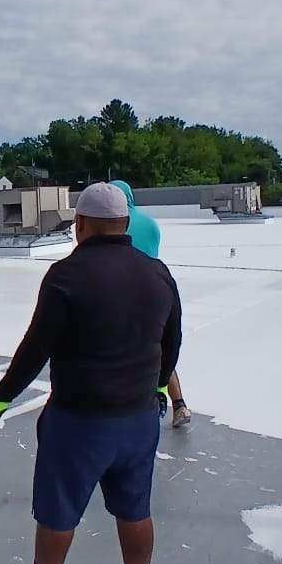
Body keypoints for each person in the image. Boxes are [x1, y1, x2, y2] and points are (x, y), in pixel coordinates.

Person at [0, 182, 182, 564]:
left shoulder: (66, 276)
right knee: (135, 508)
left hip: (78, 422)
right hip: (137, 420)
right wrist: (153, 392)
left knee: (59, 509)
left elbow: (35, 349)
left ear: (82, 225)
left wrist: (2, 398)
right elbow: (171, 348)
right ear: (125, 224)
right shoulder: (158, 274)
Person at [111, 179, 192, 428]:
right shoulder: (151, 223)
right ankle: (179, 405)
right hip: (156, 290)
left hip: (124, 294)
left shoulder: (116, 224)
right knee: (161, 349)